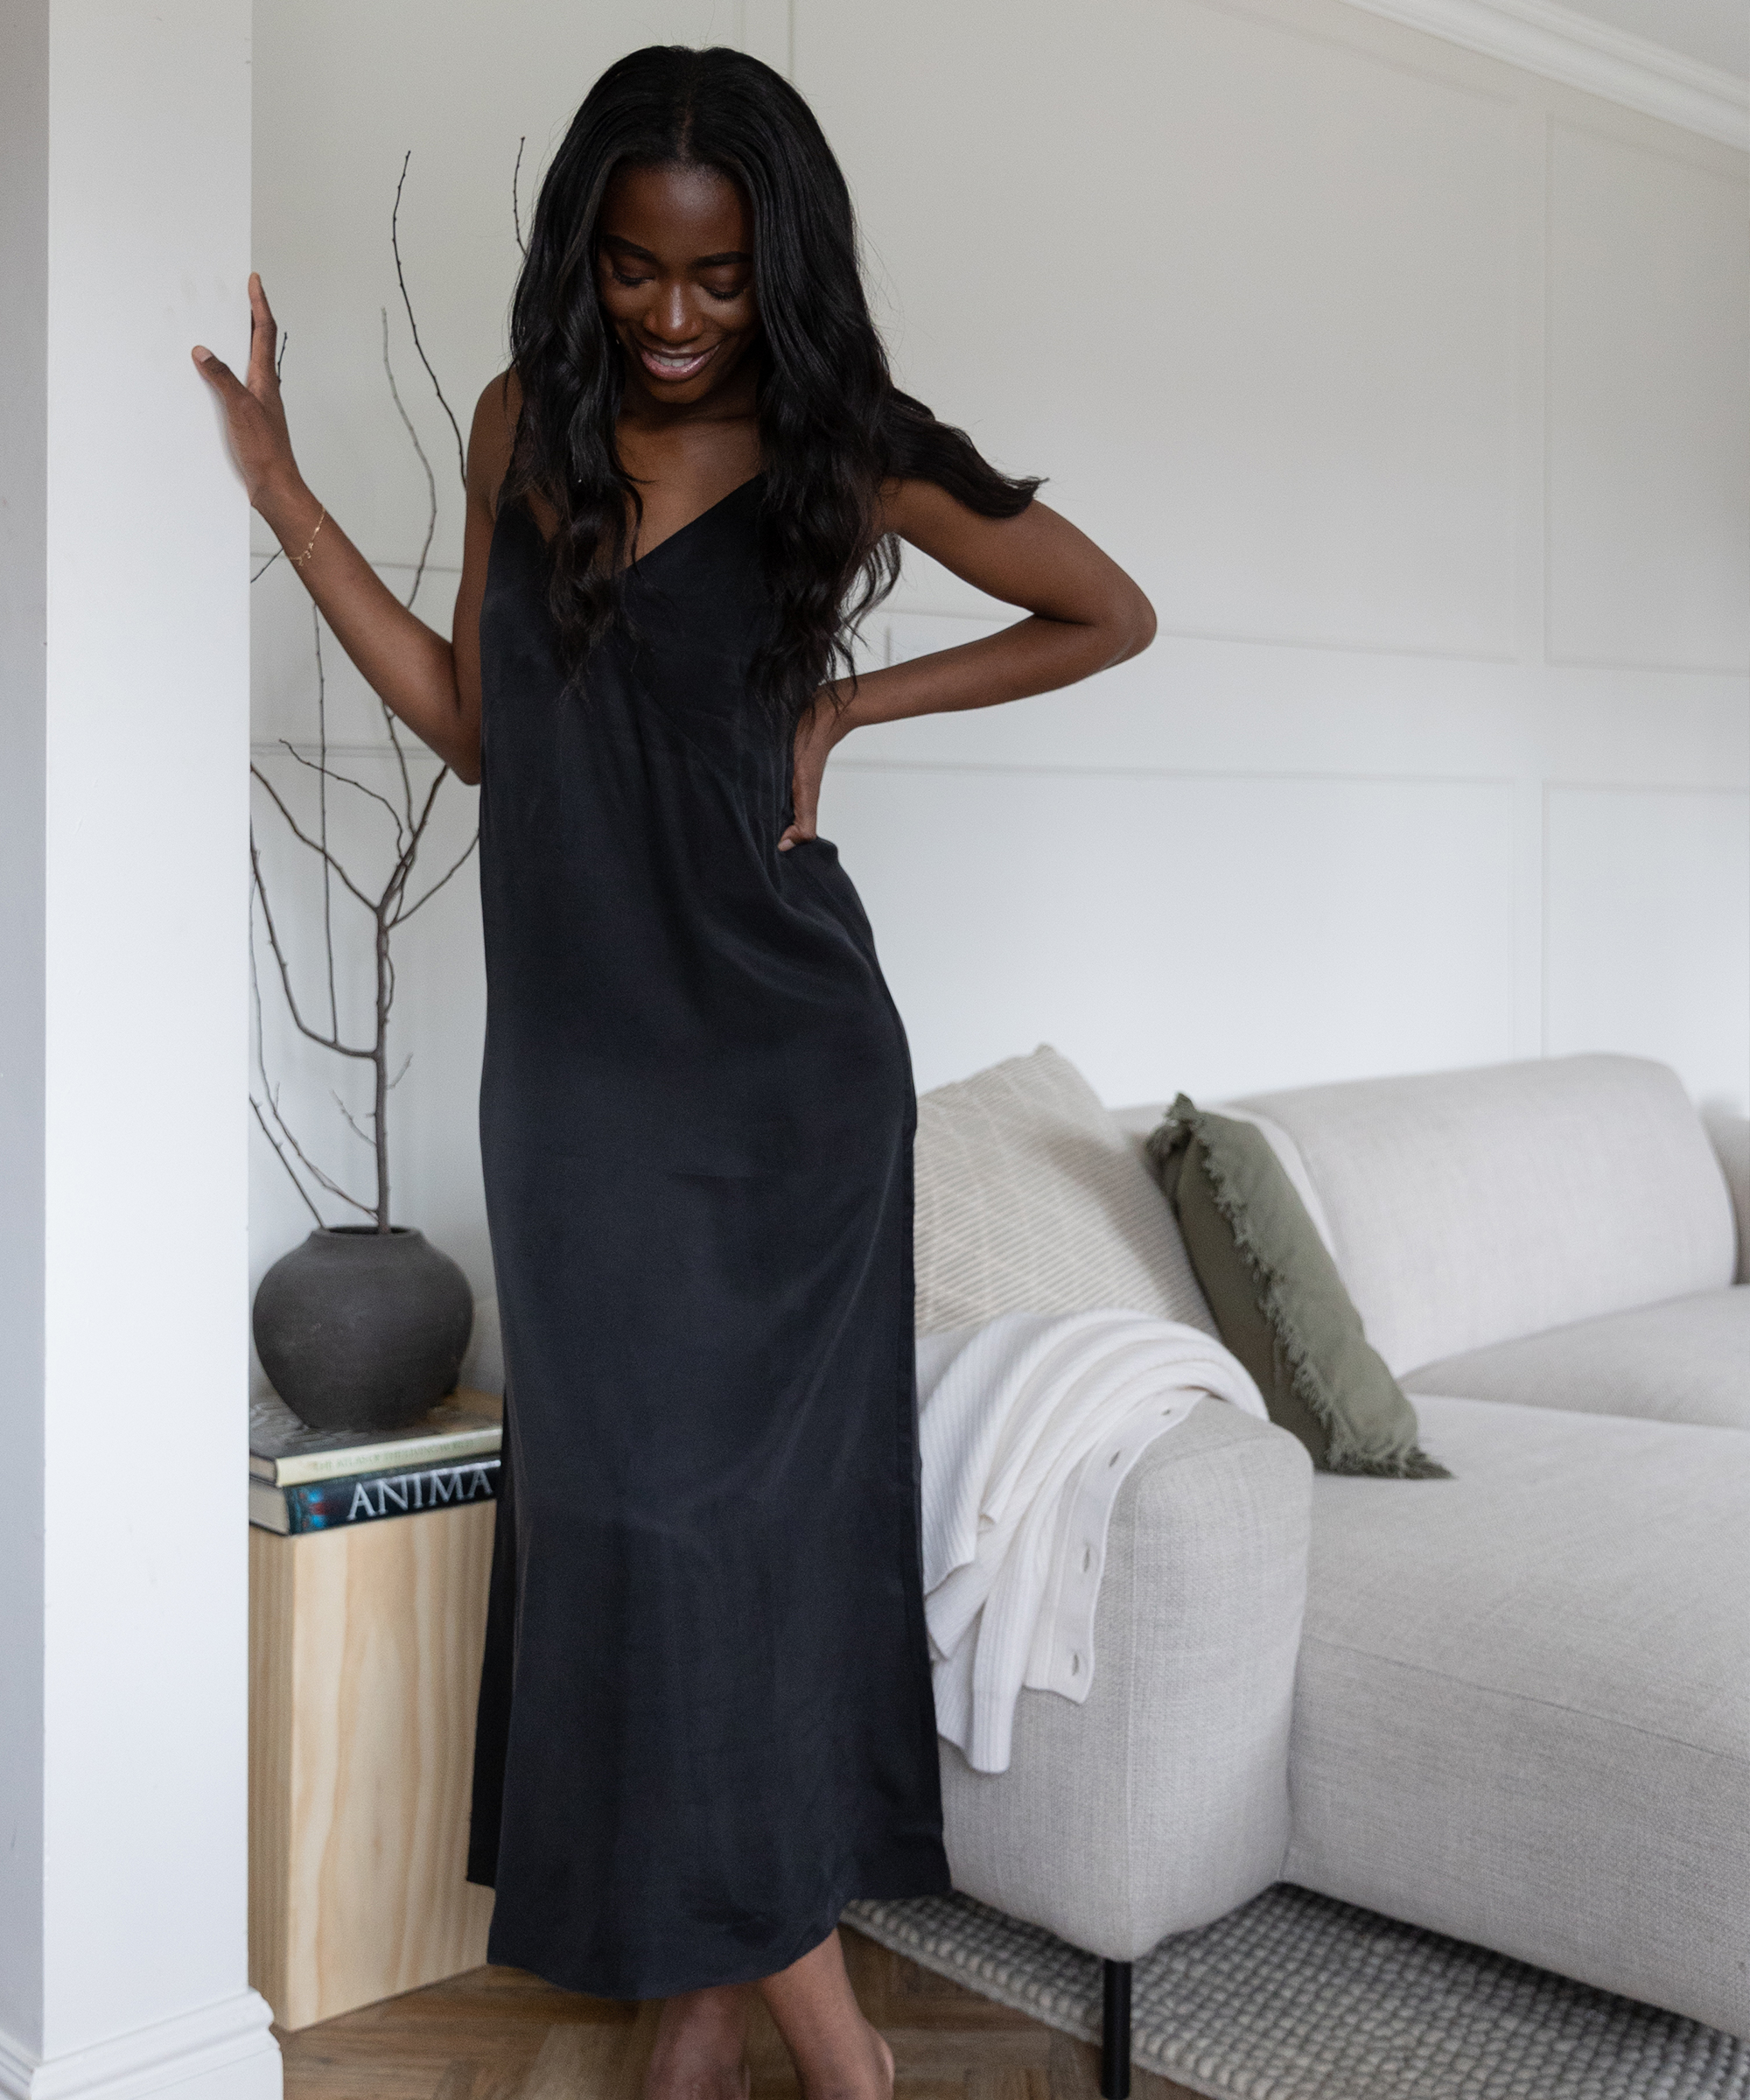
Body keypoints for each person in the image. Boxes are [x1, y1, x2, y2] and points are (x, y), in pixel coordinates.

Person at [196, 43, 1154, 2100]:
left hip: (787, 1081)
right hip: (572, 1090)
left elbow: (1104, 610)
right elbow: (475, 722)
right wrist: (280, 493)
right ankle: (724, 2002)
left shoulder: (843, 444)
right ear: (588, 255)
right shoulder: (519, 424)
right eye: (637, 268)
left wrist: (846, 717)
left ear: (775, 267)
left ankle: (791, 2032)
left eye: (717, 279)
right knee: (635, 1530)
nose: (674, 316)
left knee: (740, 1542)